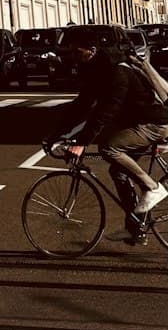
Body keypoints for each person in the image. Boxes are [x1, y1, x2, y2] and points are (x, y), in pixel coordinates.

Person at [57, 30, 168, 224]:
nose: (73, 57)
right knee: (118, 171)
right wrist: (55, 134)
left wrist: (83, 142)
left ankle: (152, 187)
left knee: (109, 147)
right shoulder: (98, 70)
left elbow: (106, 110)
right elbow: (82, 105)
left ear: (91, 51)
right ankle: (135, 225)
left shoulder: (117, 71)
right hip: (139, 122)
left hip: (155, 123)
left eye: (77, 52)